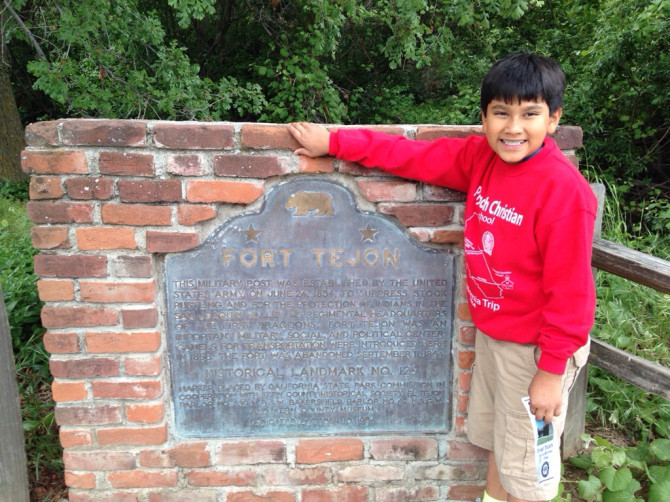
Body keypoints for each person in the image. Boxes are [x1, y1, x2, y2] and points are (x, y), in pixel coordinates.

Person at [288, 52, 597, 502]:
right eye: (501, 113)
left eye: (530, 114)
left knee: (528, 470)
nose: (513, 127)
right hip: (498, 338)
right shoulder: (480, 160)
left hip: (538, 348)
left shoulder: (564, 192)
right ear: (484, 118)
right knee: (499, 446)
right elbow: (409, 156)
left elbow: (572, 295)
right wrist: (334, 142)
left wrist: (550, 372)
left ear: (553, 119)